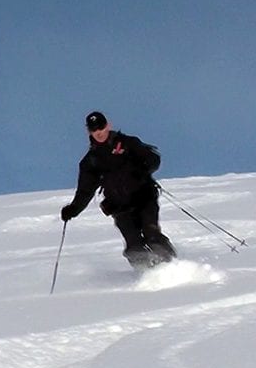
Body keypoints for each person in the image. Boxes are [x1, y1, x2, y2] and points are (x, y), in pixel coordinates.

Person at [60, 111, 177, 269]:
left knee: (152, 235)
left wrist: (142, 169)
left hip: (144, 198)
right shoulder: (90, 161)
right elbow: (85, 191)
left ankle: (173, 266)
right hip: (120, 207)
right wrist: (73, 209)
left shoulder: (128, 143)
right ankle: (147, 274)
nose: (99, 132)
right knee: (134, 246)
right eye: (94, 129)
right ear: (89, 132)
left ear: (108, 125)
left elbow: (153, 158)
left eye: (101, 127)